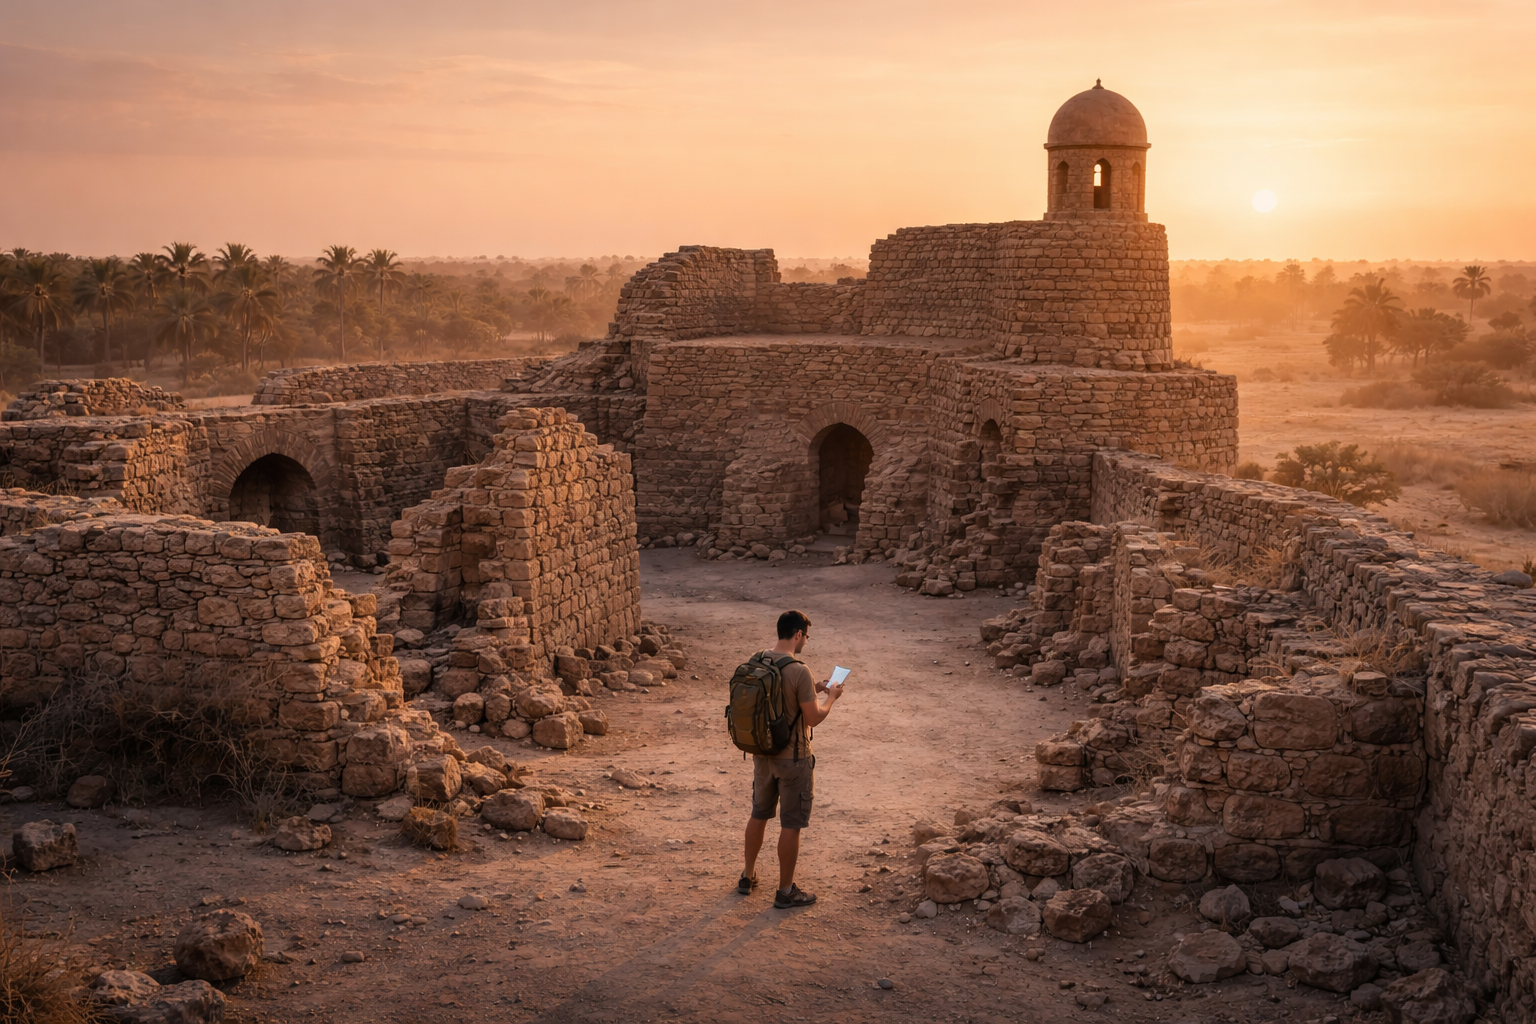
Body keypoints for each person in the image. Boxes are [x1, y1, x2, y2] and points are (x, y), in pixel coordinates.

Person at [739, 609, 845, 909]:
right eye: (806, 637)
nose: (805, 643)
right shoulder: (800, 670)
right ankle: (785, 891)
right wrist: (831, 698)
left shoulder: (757, 659)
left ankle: (747, 876)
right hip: (793, 759)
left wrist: (817, 687)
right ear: (798, 634)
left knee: (758, 814)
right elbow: (813, 718)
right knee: (791, 823)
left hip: (762, 754)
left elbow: (777, 697)